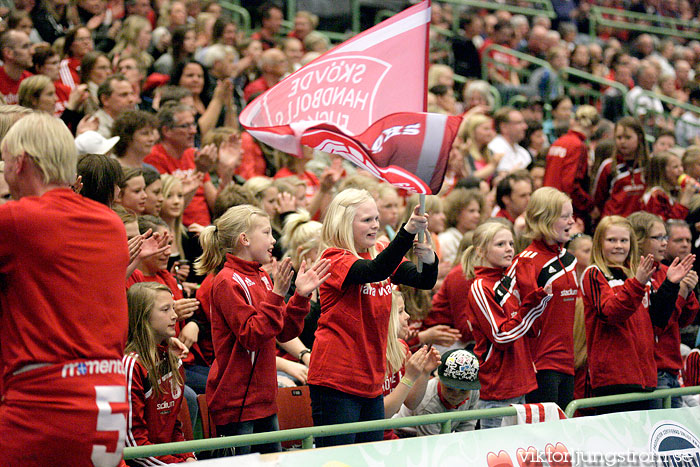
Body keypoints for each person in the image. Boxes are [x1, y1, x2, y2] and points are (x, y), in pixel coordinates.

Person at [0, 113, 129, 465]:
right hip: (110, 404)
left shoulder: (17, 221)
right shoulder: (112, 223)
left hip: (44, 405)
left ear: (20, 162)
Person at [194, 204, 330, 455]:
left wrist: (299, 296)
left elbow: (283, 332)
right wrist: (278, 293)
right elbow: (251, 336)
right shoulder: (226, 281)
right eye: (267, 233)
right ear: (244, 239)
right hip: (237, 404)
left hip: (265, 399)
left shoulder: (262, 276)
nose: (273, 240)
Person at [307, 188, 438, 447]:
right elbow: (376, 271)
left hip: (371, 378)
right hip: (337, 380)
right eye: (367, 220)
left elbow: (423, 280)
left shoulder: (379, 250)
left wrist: (429, 258)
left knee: (370, 457)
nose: (375, 225)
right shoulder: (334, 257)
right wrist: (407, 231)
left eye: (377, 219)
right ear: (344, 223)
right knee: (339, 462)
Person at [581, 216, 693, 414]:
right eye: (611, 240)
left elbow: (657, 323)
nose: (618, 246)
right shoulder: (594, 273)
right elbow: (611, 313)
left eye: (624, 241)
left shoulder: (637, 275)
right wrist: (638, 284)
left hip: (644, 379)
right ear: (599, 242)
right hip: (613, 382)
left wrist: (670, 285)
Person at [464, 221, 552, 427]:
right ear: (481, 250)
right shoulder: (480, 287)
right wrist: (531, 305)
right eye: (500, 244)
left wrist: (534, 298)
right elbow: (501, 336)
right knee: (496, 455)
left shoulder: (507, 284)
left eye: (511, 243)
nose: (509, 249)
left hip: (519, 383)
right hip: (497, 389)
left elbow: (532, 331)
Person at [507, 187, 577, 410]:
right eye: (565, 216)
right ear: (544, 219)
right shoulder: (525, 262)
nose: (572, 222)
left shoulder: (570, 259)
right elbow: (511, 315)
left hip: (567, 362)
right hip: (539, 365)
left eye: (572, 215)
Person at [629, 212, 699, 409]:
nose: (664, 243)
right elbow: (658, 324)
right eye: (658, 237)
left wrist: (688, 291)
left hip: (671, 368)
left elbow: (683, 320)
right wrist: (681, 293)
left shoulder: (665, 271)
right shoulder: (636, 276)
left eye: (665, 238)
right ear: (639, 239)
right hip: (652, 371)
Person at [123, 282, 196, 464]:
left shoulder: (173, 360)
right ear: (143, 316)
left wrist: (188, 458)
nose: (174, 316)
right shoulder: (132, 366)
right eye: (165, 310)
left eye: (173, 307)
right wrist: (175, 464)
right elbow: (134, 445)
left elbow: (174, 428)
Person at [395, 349, 480, 435]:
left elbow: (467, 429)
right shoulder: (428, 403)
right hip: (405, 435)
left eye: (463, 390)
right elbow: (430, 443)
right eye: (450, 389)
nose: (456, 395)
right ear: (438, 379)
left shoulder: (473, 392)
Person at [543, 105, 601, 225]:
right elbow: (571, 185)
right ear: (594, 128)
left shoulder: (558, 142)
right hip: (564, 211)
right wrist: (590, 206)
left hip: (548, 205)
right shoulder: (578, 146)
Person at [592, 117, 649, 218]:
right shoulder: (608, 166)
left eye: (628, 137)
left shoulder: (648, 166)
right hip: (614, 224)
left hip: (640, 223)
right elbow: (598, 199)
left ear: (639, 138)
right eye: (619, 137)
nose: (622, 141)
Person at [641, 151, 694, 221]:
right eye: (675, 167)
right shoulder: (656, 195)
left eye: (681, 166)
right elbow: (669, 224)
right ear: (661, 171)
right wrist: (685, 199)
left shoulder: (675, 191)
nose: (681, 170)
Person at [488, 107, 531, 173]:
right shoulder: (495, 149)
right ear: (504, 127)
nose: (525, 126)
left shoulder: (523, 152)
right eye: (519, 123)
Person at [0, 30, 33, 105]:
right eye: (25, 47)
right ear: (8, 53)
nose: (32, 51)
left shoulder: (31, 81)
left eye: (30, 45)